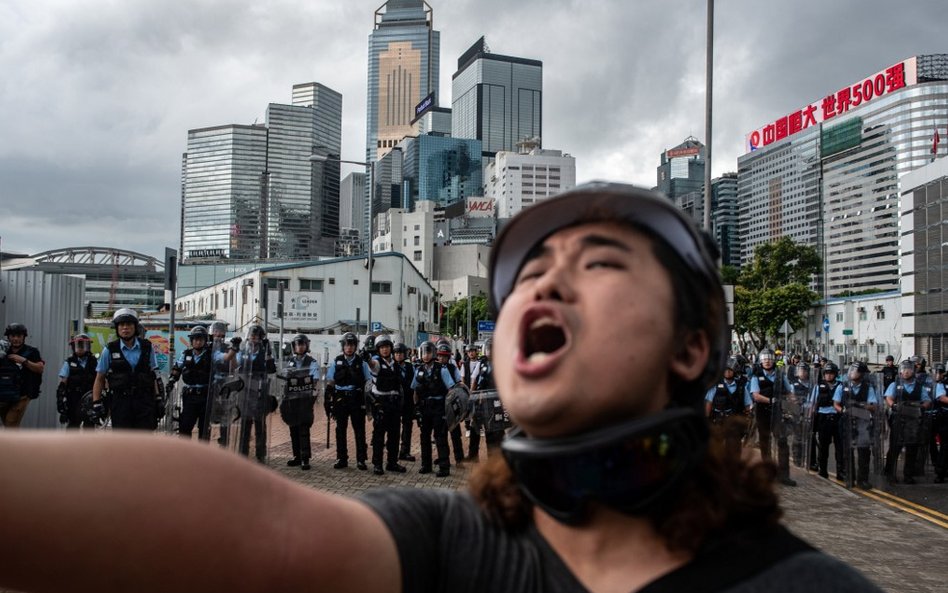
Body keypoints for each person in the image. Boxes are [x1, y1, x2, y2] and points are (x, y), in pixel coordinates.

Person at [0, 182, 883, 593]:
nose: (541, 283)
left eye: (599, 261)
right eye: (528, 271)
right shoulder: (454, 545)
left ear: (694, 348)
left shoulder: (808, 588)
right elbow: (256, 527)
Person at [91, 309, 160, 430]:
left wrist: (158, 398)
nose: (125, 328)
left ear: (135, 327)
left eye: (129, 324)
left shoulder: (147, 347)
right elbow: (99, 378)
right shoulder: (109, 350)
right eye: (121, 325)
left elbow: (154, 375)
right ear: (117, 328)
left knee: (144, 440)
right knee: (122, 441)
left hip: (144, 401)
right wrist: (96, 403)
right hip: (120, 402)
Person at [325, 332, 370, 470]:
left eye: (352, 345)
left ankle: (361, 460)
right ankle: (341, 458)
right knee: (340, 430)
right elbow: (331, 381)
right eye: (346, 345)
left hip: (356, 398)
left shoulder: (361, 362)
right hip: (340, 399)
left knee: (359, 430)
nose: (349, 348)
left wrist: (367, 403)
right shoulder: (336, 361)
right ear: (343, 346)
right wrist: (328, 400)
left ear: (355, 346)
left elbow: (368, 381)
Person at [411, 340, 456, 477]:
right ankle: (426, 465)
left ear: (434, 353)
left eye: (429, 352)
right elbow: (415, 391)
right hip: (425, 408)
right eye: (424, 352)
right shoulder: (419, 370)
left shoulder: (441, 369)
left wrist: (448, 409)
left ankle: (444, 466)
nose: (426, 355)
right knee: (424, 437)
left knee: (440, 437)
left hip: (438, 408)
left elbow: (451, 389)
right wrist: (416, 408)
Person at [883, 359, 931, 484]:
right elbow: (888, 398)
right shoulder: (895, 384)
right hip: (898, 420)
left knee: (911, 448)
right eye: (903, 369)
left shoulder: (919, 386)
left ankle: (908, 475)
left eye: (909, 370)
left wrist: (922, 407)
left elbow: (927, 401)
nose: (906, 372)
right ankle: (890, 473)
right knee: (895, 447)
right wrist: (893, 405)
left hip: (914, 421)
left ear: (913, 371)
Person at [234, 325, 276, 462]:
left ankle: (260, 454)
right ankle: (243, 453)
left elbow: (271, 369)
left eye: (256, 335)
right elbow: (237, 365)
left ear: (261, 338)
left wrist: (268, 354)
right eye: (251, 335)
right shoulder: (243, 351)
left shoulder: (264, 352)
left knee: (260, 425)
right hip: (245, 392)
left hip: (259, 392)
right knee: (245, 424)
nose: (253, 338)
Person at [834, 362, 879, 489]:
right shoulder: (842, 386)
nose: (853, 373)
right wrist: (842, 410)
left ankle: (862, 480)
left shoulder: (868, 388)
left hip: (862, 421)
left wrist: (863, 406)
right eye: (852, 370)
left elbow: (874, 405)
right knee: (847, 451)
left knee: (864, 451)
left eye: (856, 371)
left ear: (862, 374)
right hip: (847, 420)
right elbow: (836, 403)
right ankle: (849, 477)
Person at [278, 334, 319, 470]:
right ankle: (297, 456)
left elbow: (315, 379)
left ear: (306, 346)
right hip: (291, 400)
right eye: (297, 344)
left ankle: (305, 458)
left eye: (302, 344)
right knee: (293, 429)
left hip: (305, 400)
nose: (299, 347)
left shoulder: (312, 361)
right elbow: (284, 377)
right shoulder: (290, 361)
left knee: (303, 429)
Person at [367, 335, 407, 475]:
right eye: (382, 347)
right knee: (379, 435)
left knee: (394, 435)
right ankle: (377, 464)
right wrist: (367, 358)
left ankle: (392, 462)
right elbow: (373, 365)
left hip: (394, 403)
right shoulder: (377, 362)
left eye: (387, 347)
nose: (385, 350)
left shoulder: (395, 364)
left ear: (391, 347)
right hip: (381, 403)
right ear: (378, 349)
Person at [167, 326, 213, 440]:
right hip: (190, 397)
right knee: (185, 427)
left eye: (201, 339)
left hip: (205, 396)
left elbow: (223, 361)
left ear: (205, 341)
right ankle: (185, 455)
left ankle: (203, 456)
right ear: (191, 341)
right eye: (195, 339)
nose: (198, 341)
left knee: (204, 430)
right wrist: (172, 380)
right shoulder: (186, 354)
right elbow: (177, 368)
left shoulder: (211, 354)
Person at [0, 323, 45, 428]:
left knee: (11, 422)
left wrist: (24, 361)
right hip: (4, 395)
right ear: (8, 337)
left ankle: (12, 444)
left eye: (19, 336)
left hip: (22, 395)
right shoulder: (3, 350)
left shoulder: (32, 352)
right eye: (13, 336)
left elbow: (40, 368)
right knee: (7, 423)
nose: (16, 339)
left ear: (24, 337)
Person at [706, 356, 751, 454]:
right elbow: (708, 403)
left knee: (734, 450)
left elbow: (748, 405)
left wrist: (746, 421)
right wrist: (707, 420)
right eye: (725, 370)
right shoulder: (715, 385)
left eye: (730, 370)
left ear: (734, 371)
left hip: (734, 422)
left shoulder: (741, 386)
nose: (727, 372)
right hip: (717, 421)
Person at [57, 333, 97, 429]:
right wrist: (60, 401)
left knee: (89, 427)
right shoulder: (69, 362)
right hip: (73, 399)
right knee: (73, 426)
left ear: (88, 346)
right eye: (77, 345)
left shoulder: (95, 362)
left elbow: (101, 379)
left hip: (90, 399)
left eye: (82, 345)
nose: (80, 348)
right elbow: (63, 383)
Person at [810, 361, 843, 480]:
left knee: (840, 446)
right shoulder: (818, 386)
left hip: (838, 418)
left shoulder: (841, 386)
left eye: (831, 373)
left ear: (835, 374)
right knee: (823, 446)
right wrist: (811, 419)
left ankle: (841, 472)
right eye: (827, 373)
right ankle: (823, 470)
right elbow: (813, 404)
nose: (829, 375)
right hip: (823, 418)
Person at [436, 339, 465, 468]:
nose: (441, 358)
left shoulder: (453, 368)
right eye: (440, 356)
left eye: (444, 356)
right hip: (439, 405)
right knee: (440, 434)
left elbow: (459, 383)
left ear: (448, 357)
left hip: (451, 405)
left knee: (455, 434)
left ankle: (459, 459)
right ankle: (443, 457)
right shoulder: (434, 368)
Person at [750, 348, 781, 464]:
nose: (767, 361)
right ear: (761, 361)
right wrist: (771, 400)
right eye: (764, 359)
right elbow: (756, 396)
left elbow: (789, 390)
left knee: (781, 439)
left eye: (769, 359)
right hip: (762, 411)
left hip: (777, 411)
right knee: (765, 439)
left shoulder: (779, 375)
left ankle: (782, 470)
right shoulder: (756, 376)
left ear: (773, 360)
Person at [393, 342, 417, 462]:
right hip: (395, 402)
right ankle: (393, 451)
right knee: (395, 427)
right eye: (396, 353)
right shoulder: (391, 367)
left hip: (408, 401)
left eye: (400, 353)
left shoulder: (410, 367)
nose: (398, 355)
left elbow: (415, 384)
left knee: (407, 427)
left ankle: (405, 451)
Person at [459, 343, 482, 460]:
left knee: (477, 415)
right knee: (468, 411)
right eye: (469, 351)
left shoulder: (481, 363)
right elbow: (463, 379)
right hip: (469, 391)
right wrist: (465, 391)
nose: (471, 353)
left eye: (473, 351)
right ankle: (468, 427)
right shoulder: (465, 364)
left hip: (480, 394)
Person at [932, 362, 948, 483]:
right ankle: (940, 473)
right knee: (944, 446)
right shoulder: (941, 384)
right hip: (944, 417)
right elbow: (942, 397)